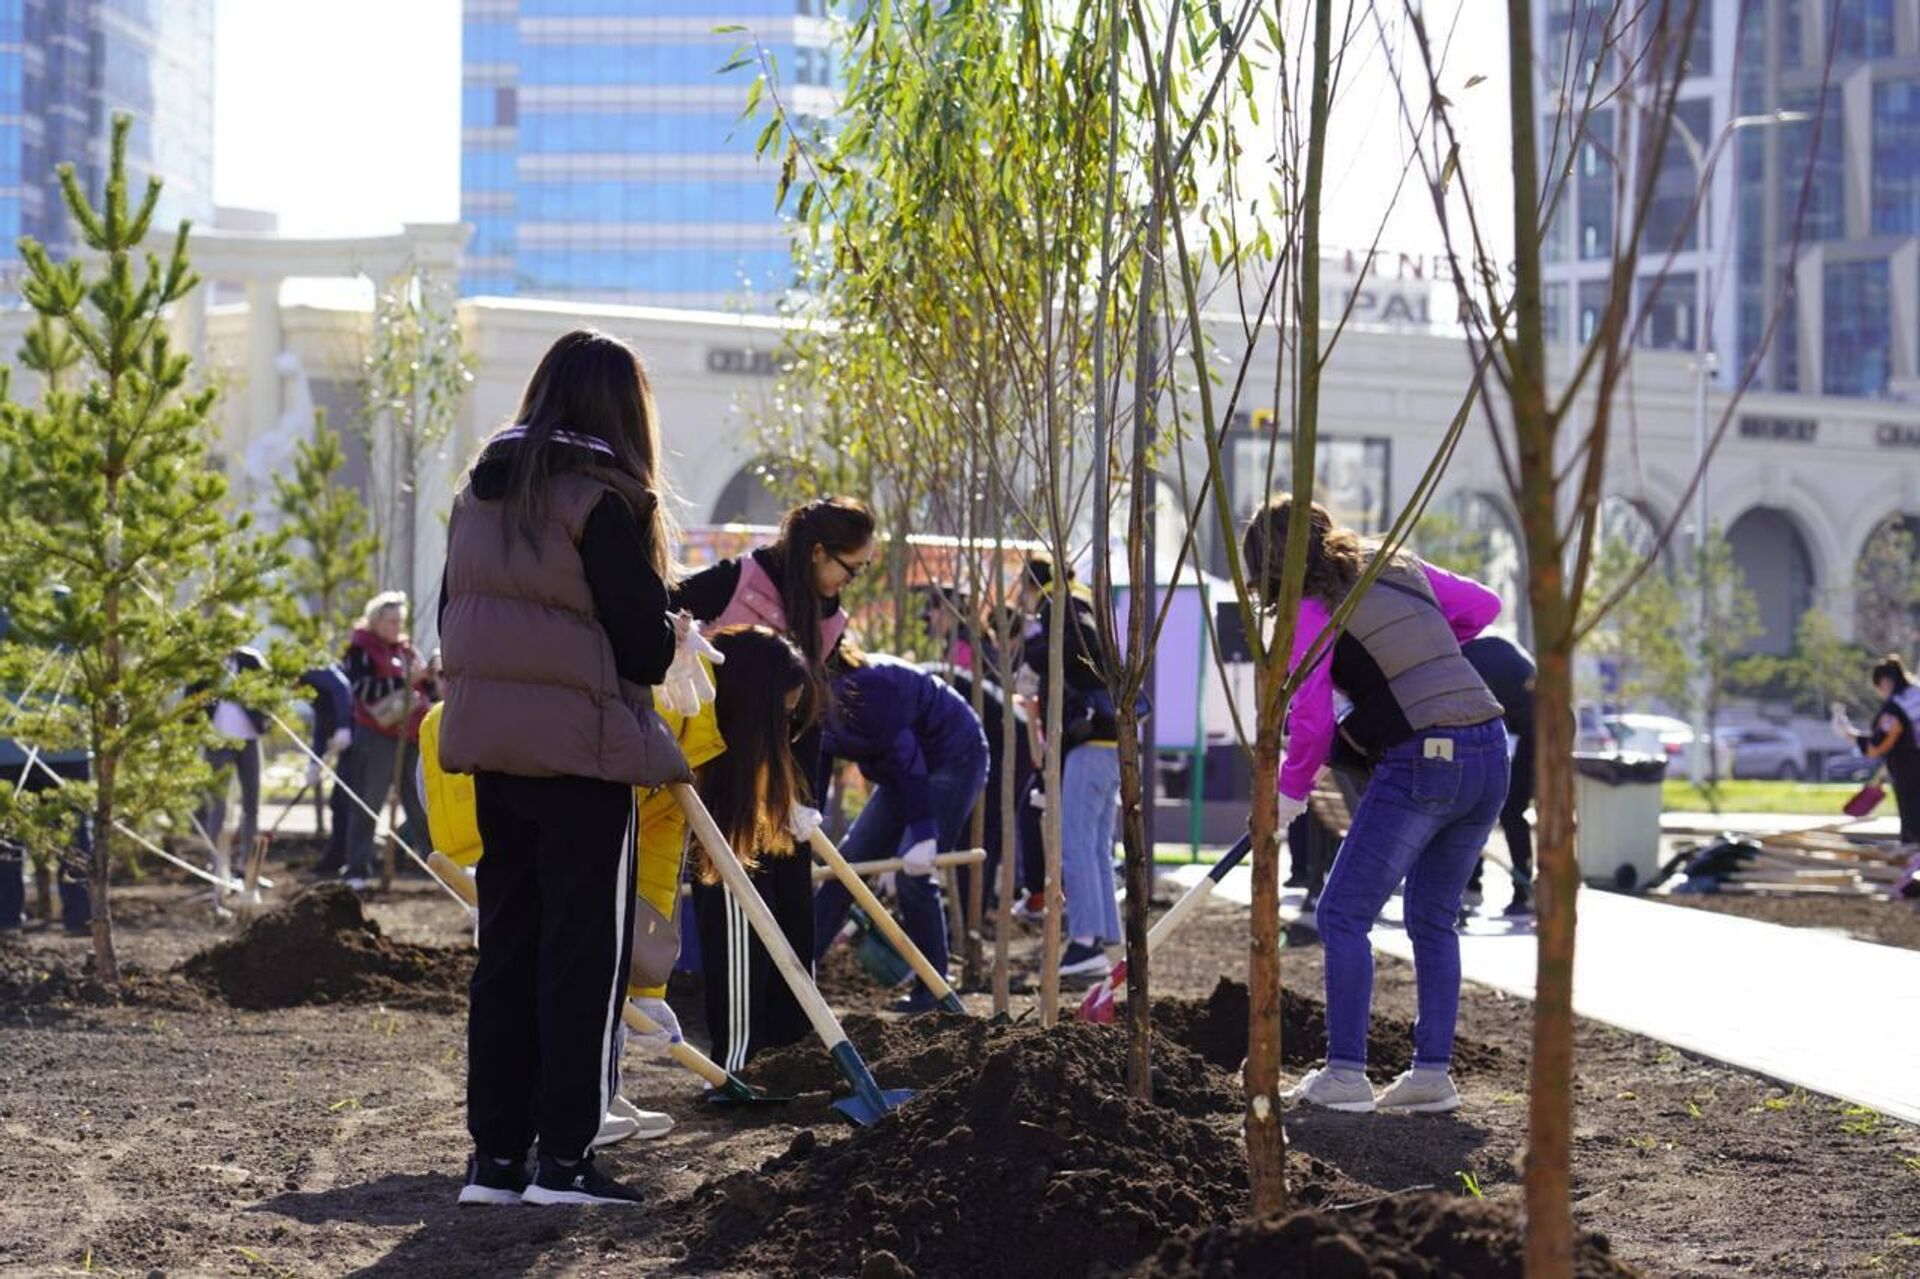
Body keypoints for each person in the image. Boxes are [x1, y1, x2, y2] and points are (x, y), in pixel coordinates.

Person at [437, 327, 685, 1208]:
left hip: (495, 754)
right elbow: (646, 650)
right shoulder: (600, 501)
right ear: (621, 412)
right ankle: (567, 1163)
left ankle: (495, 1162)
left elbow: (452, 620)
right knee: (583, 955)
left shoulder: (479, 495)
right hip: (583, 760)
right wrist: (673, 622)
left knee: (506, 947)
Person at [1246, 496, 1507, 1116]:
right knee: (1432, 918)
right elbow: (1483, 607)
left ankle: (1346, 1074)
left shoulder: (1309, 613)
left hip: (1426, 755)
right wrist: (1426, 655)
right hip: (1490, 747)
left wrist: (1287, 795)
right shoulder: (1395, 565)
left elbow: (1309, 722)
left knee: (1342, 912)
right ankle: (1431, 1075)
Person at [670, 496, 876, 1067]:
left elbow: (808, 720)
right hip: (723, 781)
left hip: (781, 785)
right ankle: (739, 1055)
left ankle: (792, 1048)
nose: (851, 580)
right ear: (816, 553)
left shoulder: (829, 619)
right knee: (736, 907)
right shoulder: (738, 580)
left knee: (792, 904)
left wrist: (803, 800)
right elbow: (663, 617)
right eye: (850, 567)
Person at [814, 646, 989, 1012]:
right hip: (901, 771)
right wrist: (807, 816)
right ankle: (797, 971)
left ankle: (934, 992)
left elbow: (908, 757)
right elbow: (820, 760)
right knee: (845, 867)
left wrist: (924, 836)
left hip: (954, 756)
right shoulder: (811, 700)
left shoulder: (867, 687)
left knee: (913, 876)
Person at [1014, 553, 1122, 982]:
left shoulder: (1061, 604)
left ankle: (1084, 943)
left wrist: (1033, 655)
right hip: (1108, 745)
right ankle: (1107, 939)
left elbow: (1075, 646)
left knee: (1076, 845)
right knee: (1094, 848)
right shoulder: (1083, 600)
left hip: (1088, 742)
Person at [340, 592, 431, 890]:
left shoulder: (406, 650)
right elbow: (363, 689)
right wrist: (406, 681)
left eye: (400, 621)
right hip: (376, 735)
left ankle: (438, 868)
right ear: (376, 619)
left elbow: (425, 684)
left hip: (410, 733)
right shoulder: (360, 649)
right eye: (391, 620)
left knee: (420, 802)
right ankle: (357, 870)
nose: (396, 626)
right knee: (369, 801)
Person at [1461, 634, 1538, 917]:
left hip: (1539, 729)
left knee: (1509, 810)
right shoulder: (1479, 650)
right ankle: (1474, 881)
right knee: (1482, 802)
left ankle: (1524, 890)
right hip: (1537, 725)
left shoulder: (1462, 662)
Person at [196, 646, 269, 885]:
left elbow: (268, 692)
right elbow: (193, 697)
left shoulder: (252, 661)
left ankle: (248, 866)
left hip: (249, 740)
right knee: (217, 803)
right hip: (217, 740)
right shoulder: (207, 665)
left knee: (251, 803)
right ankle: (217, 864)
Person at [1835, 654, 1920, 846]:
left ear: (1885, 682)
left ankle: (1913, 867)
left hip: (1912, 775)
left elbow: (1877, 747)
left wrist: (1851, 735)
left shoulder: (1895, 708)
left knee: (1914, 828)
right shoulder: (1917, 694)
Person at [298, 662, 355, 876]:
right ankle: (336, 857)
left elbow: (341, 688)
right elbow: (321, 724)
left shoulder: (312, 672)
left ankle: (349, 858)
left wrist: (343, 726)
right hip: (347, 741)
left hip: (359, 737)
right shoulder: (313, 695)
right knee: (338, 804)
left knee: (346, 803)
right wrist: (314, 763)